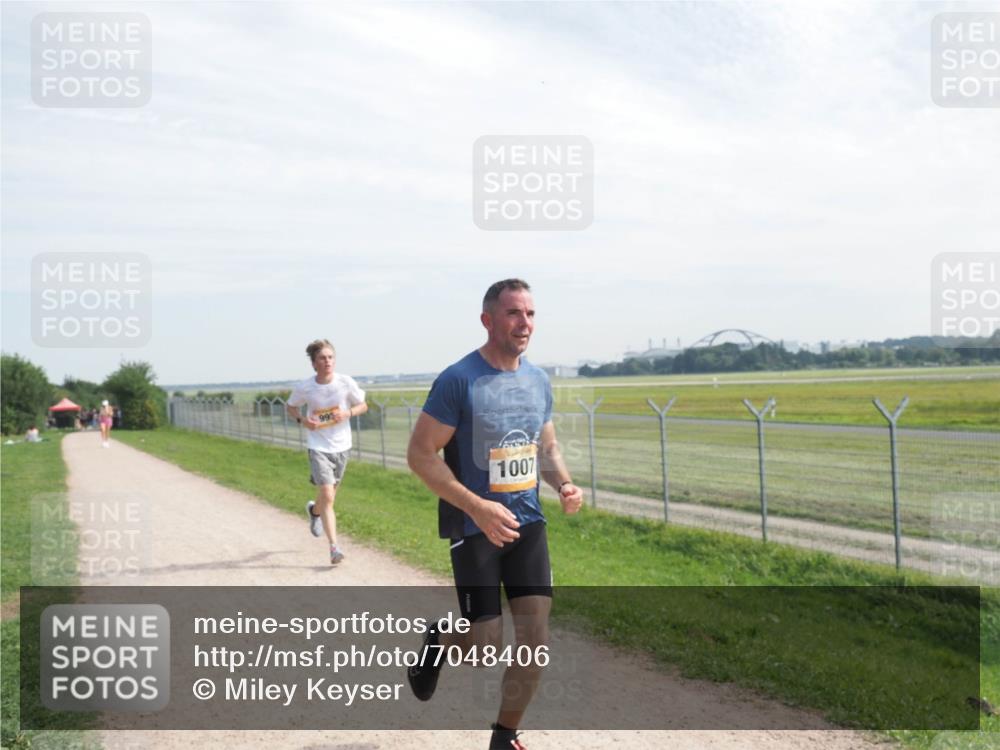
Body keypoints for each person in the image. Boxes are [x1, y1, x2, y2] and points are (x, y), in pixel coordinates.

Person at [405, 278, 583, 750]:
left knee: (535, 637)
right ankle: (442, 640)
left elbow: (545, 447)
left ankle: (504, 736)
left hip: (527, 524)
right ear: (488, 320)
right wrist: (479, 506)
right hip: (474, 525)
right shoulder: (459, 380)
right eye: (513, 314)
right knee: (483, 647)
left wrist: (562, 481)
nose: (524, 323)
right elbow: (421, 454)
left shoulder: (538, 380)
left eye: (530, 314)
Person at [286, 339, 368, 565]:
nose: (327, 361)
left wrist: (348, 414)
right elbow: (290, 406)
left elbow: (363, 405)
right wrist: (304, 420)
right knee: (329, 496)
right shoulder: (306, 387)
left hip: (342, 446)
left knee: (328, 498)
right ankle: (334, 548)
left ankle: (314, 512)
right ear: (314, 363)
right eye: (322, 358)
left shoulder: (345, 382)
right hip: (318, 446)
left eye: (330, 357)